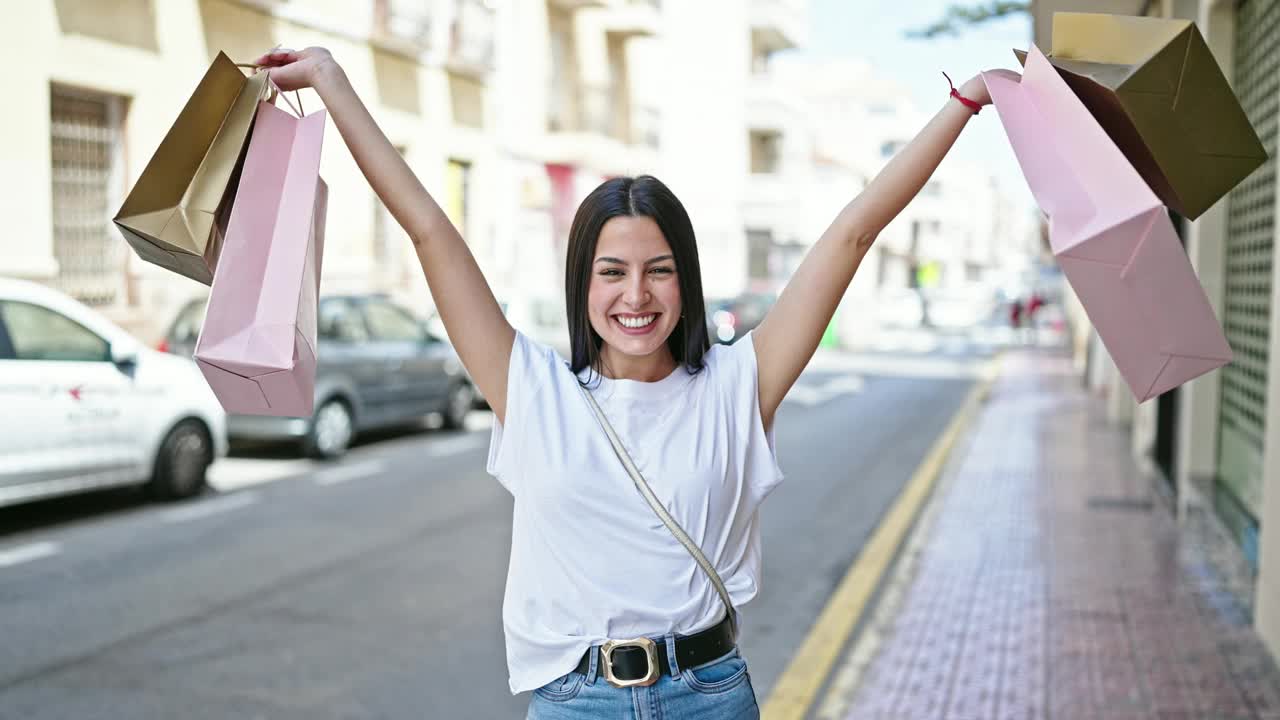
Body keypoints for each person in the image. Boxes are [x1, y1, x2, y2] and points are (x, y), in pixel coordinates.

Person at [255, 46, 1002, 719]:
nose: (635, 297)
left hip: (709, 696)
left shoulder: (740, 385)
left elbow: (854, 230)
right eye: (612, 273)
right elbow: (426, 227)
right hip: (576, 703)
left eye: (659, 270)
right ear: (583, 283)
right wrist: (331, 81)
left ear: (687, 281)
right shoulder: (532, 388)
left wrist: (962, 104)